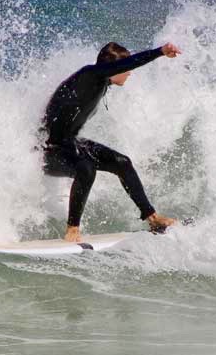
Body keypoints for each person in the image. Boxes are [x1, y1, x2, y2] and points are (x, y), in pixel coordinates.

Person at [40, 41, 181, 242]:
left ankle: (153, 218)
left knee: (122, 162)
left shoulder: (101, 82)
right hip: (47, 150)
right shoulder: (90, 74)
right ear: (114, 68)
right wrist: (160, 52)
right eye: (126, 68)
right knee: (86, 168)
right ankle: (72, 229)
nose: (129, 72)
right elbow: (129, 63)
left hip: (68, 144)